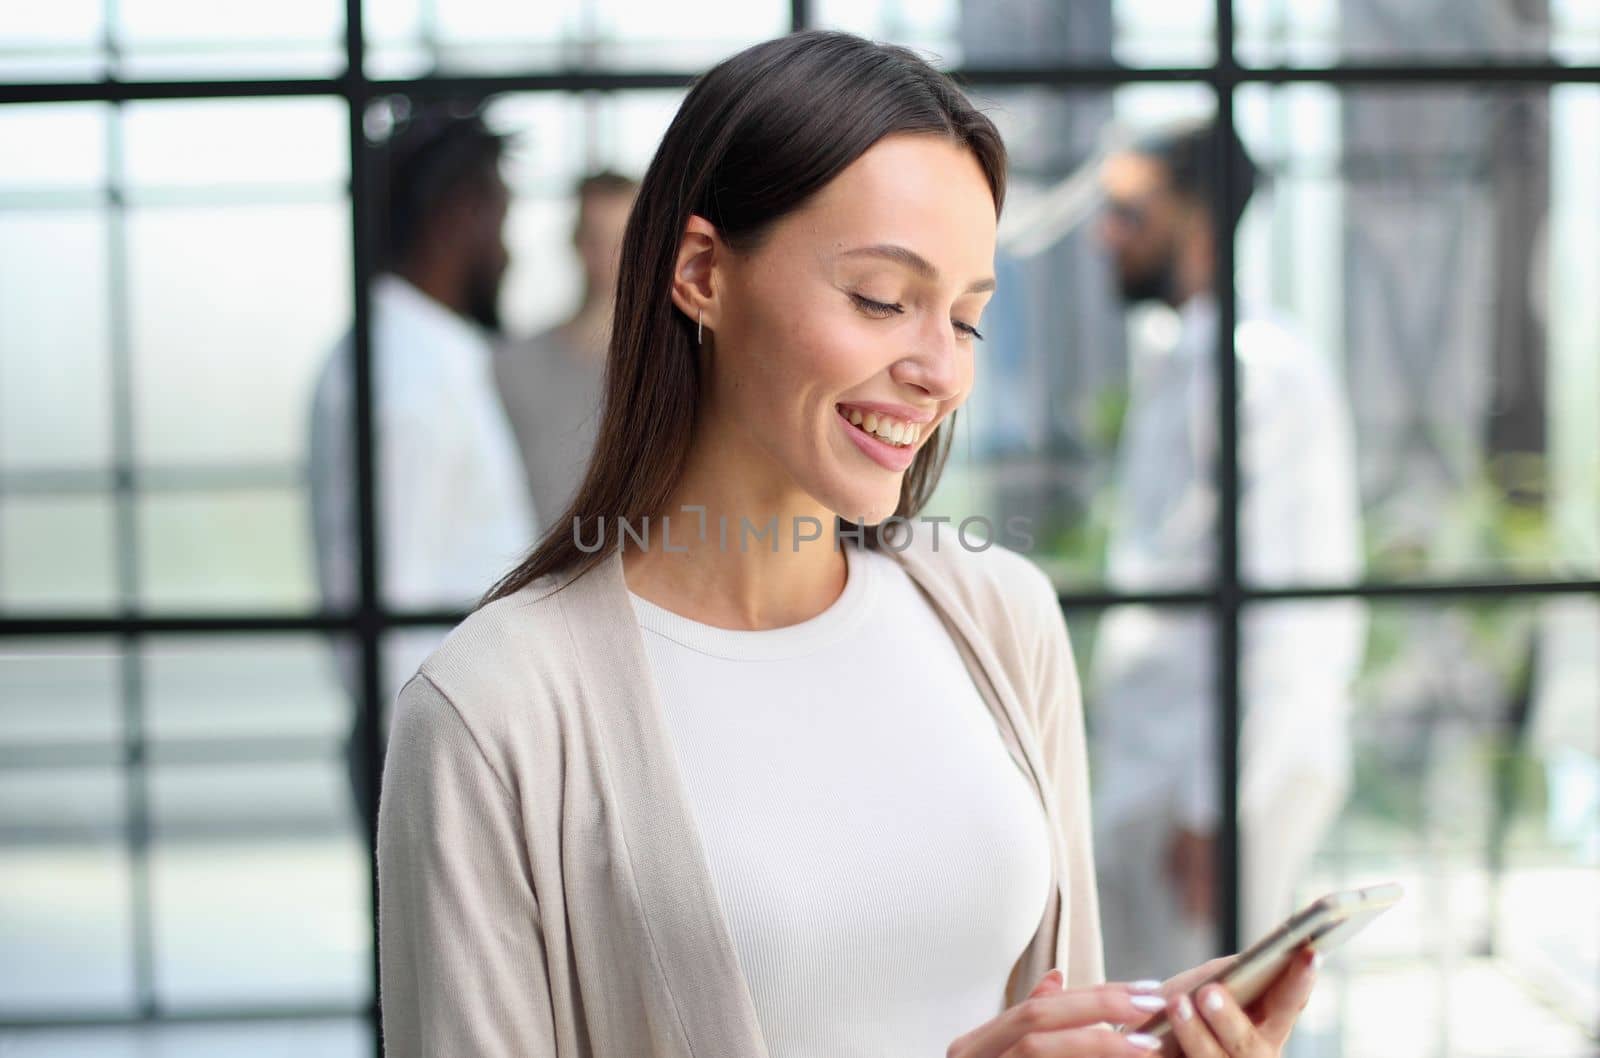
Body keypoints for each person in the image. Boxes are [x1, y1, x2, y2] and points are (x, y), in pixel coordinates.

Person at [376, 33, 1320, 1058]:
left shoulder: (1001, 618)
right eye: (880, 298)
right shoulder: (492, 712)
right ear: (701, 271)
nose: (938, 371)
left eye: (965, 318)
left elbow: (1057, 1005)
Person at [1089, 119, 1367, 981]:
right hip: (1163, 768)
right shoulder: (1181, 359)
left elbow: (1293, 603)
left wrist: (1221, 811)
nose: (1108, 234)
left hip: (1211, 782)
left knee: (1205, 1021)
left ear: (1197, 219)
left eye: (1129, 211)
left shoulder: (1259, 371)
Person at [307, 101, 538, 819]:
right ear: (459, 215)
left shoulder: (422, 355)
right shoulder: (404, 372)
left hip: (444, 742)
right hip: (431, 753)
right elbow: (384, 592)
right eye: (501, 218)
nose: (509, 251)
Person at [495, 171, 639, 520]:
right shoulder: (514, 366)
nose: (609, 257)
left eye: (622, 240)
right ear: (577, 242)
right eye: (597, 239)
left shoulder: (678, 367)